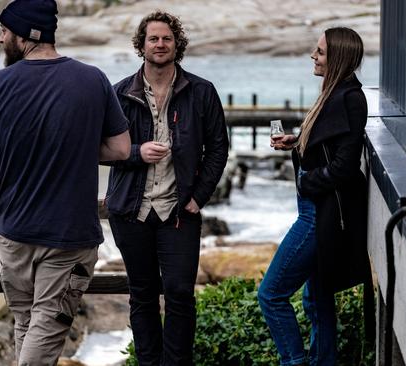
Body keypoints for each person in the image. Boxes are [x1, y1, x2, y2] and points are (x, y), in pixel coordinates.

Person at [0, 1, 130, 364]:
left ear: (24, 35)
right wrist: (79, 145)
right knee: (42, 328)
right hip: (69, 234)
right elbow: (120, 148)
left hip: (15, 231)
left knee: (28, 325)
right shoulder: (92, 79)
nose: (0, 39)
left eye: (4, 32)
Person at [104, 11, 229, 366]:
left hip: (179, 210)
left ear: (177, 44)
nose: (160, 44)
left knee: (179, 294)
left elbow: (219, 147)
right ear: (141, 46)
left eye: (166, 38)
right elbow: (98, 148)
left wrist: (198, 197)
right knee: (142, 296)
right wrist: (134, 153)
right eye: (153, 39)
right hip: (131, 211)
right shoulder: (118, 93)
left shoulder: (201, 91)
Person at [257, 27, 372, 366]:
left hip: (318, 212)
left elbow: (345, 166)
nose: (314, 55)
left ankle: (294, 362)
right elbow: (331, 145)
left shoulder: (350, 98)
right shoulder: (334, 92)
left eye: (320, 52)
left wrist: (307, 181)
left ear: (337, 57)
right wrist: (299, 142)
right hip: (315, 208)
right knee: (317, 300)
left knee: (272, 294)